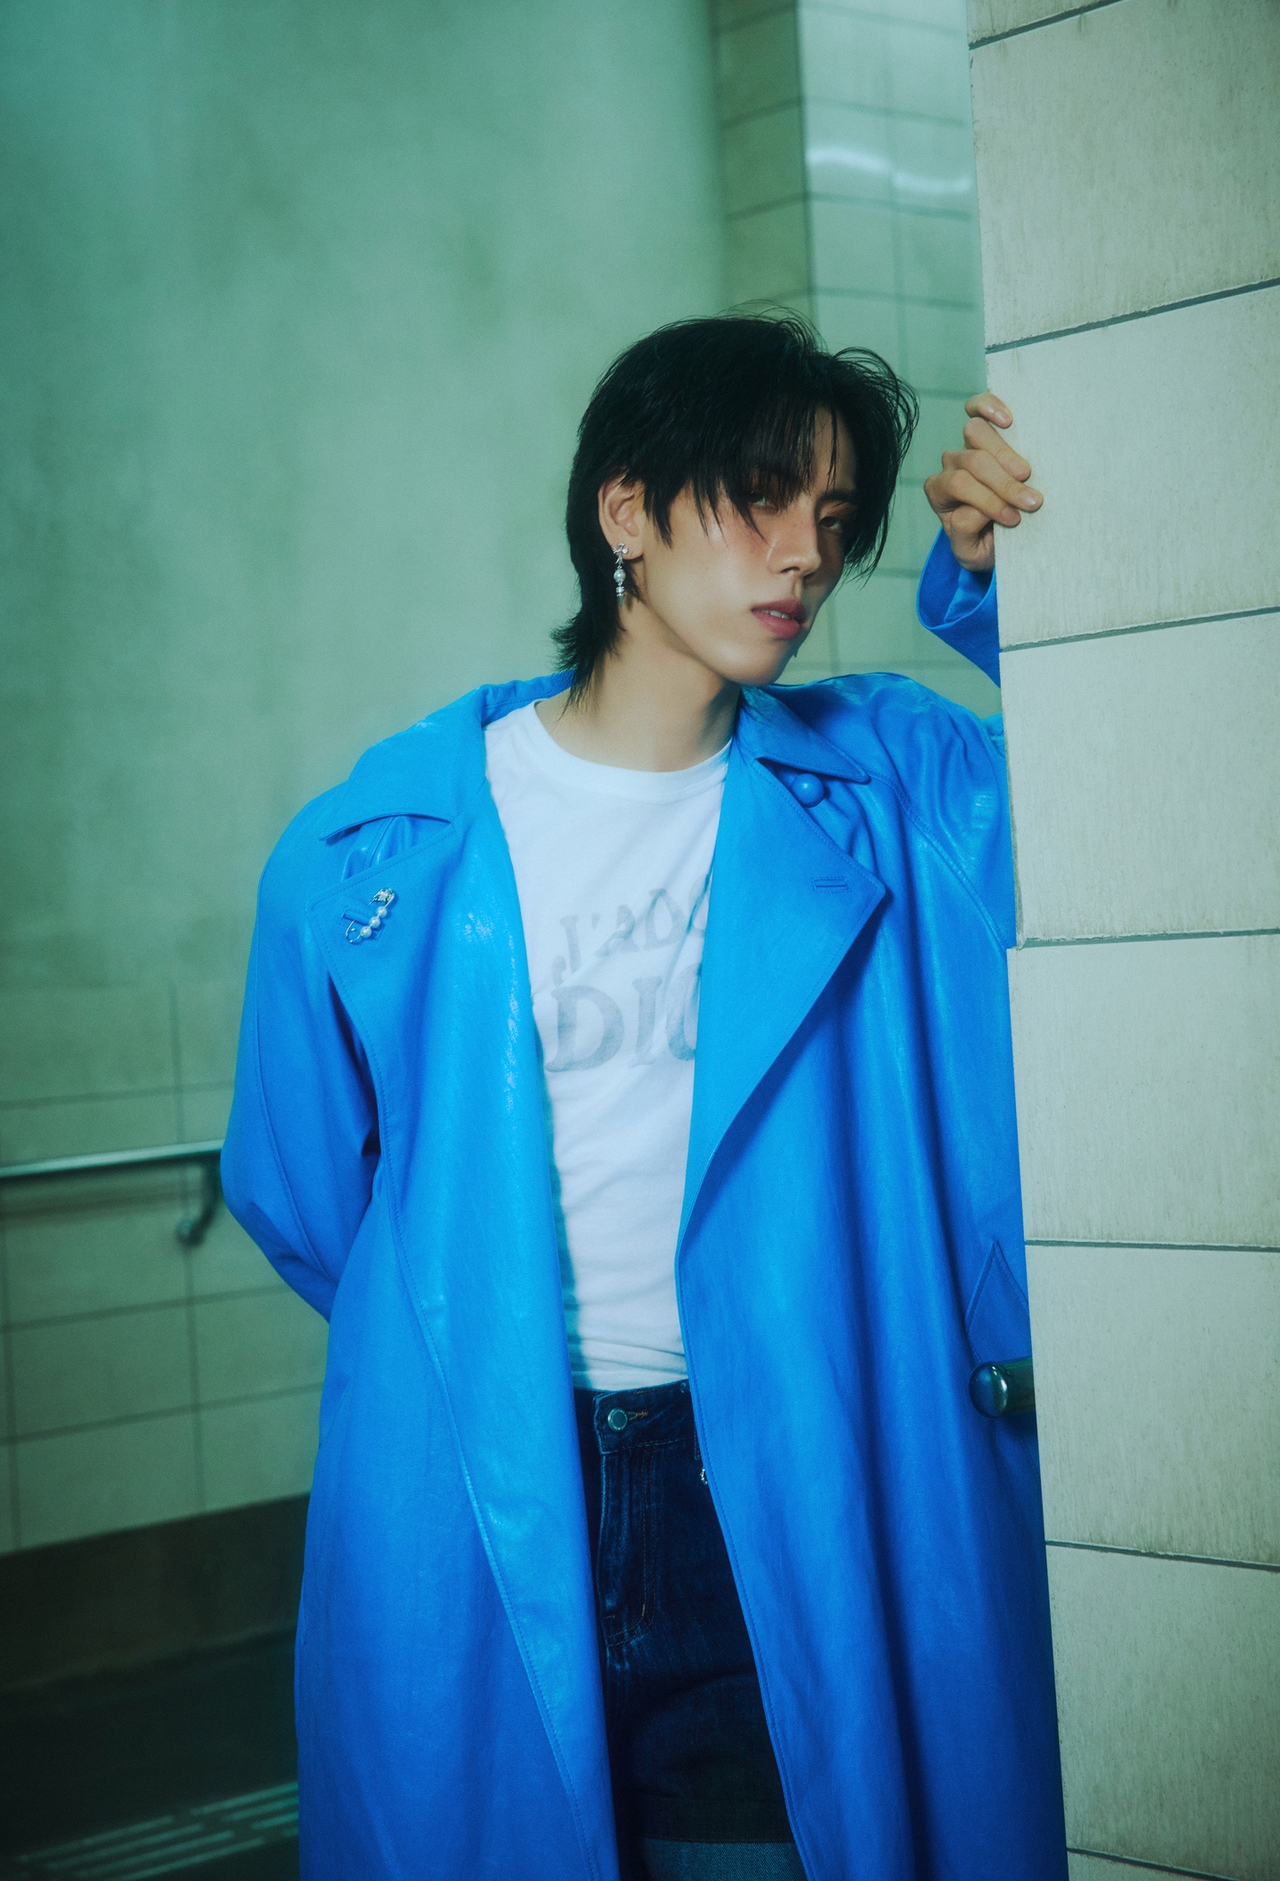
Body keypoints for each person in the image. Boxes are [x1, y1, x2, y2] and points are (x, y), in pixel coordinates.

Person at [221, 314, 1064, 1881]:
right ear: (625, 512)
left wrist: (1023, 595)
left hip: (798, 1470)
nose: (804, 555)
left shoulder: (894, 785)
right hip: (500, 1481)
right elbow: (305, 1197)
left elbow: (1138, 801)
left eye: (835, 519)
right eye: (760, 498)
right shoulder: (379, 852)